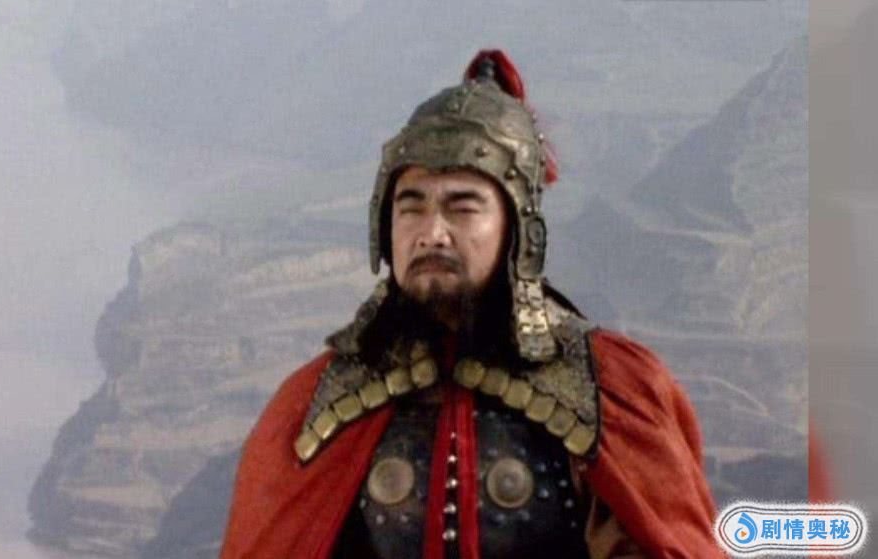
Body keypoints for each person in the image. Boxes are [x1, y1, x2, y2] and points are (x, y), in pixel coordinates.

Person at [220, 50, 724, 559]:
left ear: (515, 229)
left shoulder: (612, 390)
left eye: (462, 207)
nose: (431, 234)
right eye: (411, 208)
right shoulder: (315, 401)